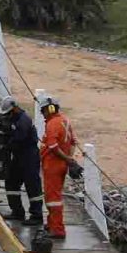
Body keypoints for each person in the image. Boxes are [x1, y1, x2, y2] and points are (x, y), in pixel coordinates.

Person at [0, 96, 44, 226]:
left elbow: (17, 140)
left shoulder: (23, 121)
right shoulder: (14, 118)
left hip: (29, 155)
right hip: (19, 156)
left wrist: (4, 146)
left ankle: (36, 215)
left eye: (8, 113)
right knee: (11, 181)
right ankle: (17, 211)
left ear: (14, 109)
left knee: (32, 185)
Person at [39, 96, 78, 239]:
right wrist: (69, 159)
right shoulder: (65, 120)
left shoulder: (52, 124)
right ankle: (51, 224)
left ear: (49, 109)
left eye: (43, 111)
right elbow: (73, 142)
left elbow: (53, 146)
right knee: (55, 195)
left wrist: (67, 159)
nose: (42, 114)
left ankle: (57, 229)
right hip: (61, 165)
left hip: (53, 165)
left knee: (52, 198)